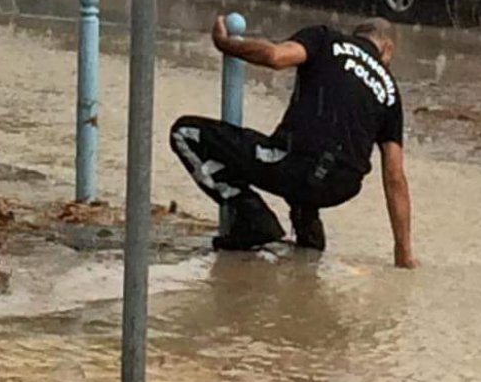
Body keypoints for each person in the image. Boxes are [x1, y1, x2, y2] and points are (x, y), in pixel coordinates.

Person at [170, 16, 417, 268]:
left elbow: (275, 57)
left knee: (185, 132)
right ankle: (309, 250)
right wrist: (403, 251)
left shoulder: (327, 39)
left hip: (297, 165)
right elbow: (395, 176)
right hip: (340, 185)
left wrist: (225, 44)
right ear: (388, 49)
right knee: (311, 177)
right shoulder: (390, 92)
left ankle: (253, 217)